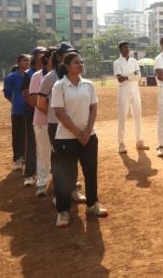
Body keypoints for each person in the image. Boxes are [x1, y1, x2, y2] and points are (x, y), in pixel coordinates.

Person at [51, 52, 107, 227]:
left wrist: (87, 131)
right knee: (64, 176)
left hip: (89, 137)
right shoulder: (59, 86)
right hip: (66, 138)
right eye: (76, 62)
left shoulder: (88, 85)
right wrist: (77, 133)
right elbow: (59, 112)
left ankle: (92, 204)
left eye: (82, 62)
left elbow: (93, 108)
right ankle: (63, 211)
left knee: (90, 172)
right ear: (67, 66)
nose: (80, 64)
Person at [38, 44, 86, 204]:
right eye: (68, 55)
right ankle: (58, 194)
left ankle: (72, 189)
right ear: (60, 57)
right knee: (59, 160)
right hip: (56, 125)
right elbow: (41, 102)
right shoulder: (50, 78)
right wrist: (54, 116)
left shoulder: (78, 78)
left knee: (73, 158)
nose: (74, 58)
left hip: (74, 125)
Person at [114, 41, 149, 154]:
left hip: (135, 89)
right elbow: (120, 79)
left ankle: (139, 141)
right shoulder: (117, 62)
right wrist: (131, 76)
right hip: (123, 90)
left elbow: (138, 76)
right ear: (120, 50)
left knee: (138, 115)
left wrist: (127, 77)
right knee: (122, 117)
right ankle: (121, 143)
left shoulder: (134, 61)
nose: (127, 50)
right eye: (124, 48)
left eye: (128, 48)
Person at [30, 48, 54, 196]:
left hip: (59, 121)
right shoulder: (36, 76)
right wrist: (53, 114)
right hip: (43, 120)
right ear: (46, 59)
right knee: (43, 152)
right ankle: (42, 182)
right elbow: (34, 99)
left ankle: (67, 181)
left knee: (61, 153)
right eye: (54, 57)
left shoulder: (62, 75)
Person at [21, 47, 46, 187]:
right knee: (32, 144)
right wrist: (41, 108)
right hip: (33, 113)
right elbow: (27, 96)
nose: (44, 56)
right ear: (35, 56)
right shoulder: (28, 74)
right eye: (41, 53)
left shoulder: (49, 71)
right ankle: (29, 174)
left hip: (47, 113)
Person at [3, 55, 29, 171]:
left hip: (31, 109)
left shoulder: (31, 75)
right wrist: (16, 102)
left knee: (29, 135)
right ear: (18, 62)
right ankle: (18, 158)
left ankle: (28, 157)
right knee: (18, 135)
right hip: (18, 111)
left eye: (29, 60)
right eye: (25, 60)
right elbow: (7, 93)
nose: (27, 62)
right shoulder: (11, 77)